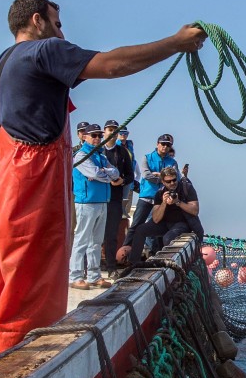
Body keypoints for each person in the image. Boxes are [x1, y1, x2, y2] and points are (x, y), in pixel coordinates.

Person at [0, 0, 205, 358]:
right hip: (30, 186)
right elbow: (112, 65)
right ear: (37, 21)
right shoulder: (44, 50)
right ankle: (15, 377)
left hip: (0, 185)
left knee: (1, 286)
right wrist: (176, 43)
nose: (62, 33)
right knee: (29, 291)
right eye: (58, 23)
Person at [69, 123, 118, 289]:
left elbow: (115, 173)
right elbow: (95, 174)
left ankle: (94, 275)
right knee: (82, 239)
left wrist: (103, 173)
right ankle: (75, 276)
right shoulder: (81, 155)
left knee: (96, 241)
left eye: (99, 135)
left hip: (102, 201)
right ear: (85, 136)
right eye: (94, 135)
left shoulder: (101, 156)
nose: (97, 138)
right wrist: (105, 174)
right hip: (86, 203)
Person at [124, 166, 204, 261]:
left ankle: (169, 264)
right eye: (168, 181)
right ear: (163, 182)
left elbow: (195, 211)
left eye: (174, 180)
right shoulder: (160, 193)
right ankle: (134, 263)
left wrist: (178, 202)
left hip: (182, 223)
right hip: (165, 223)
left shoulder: (187, 188)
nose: (172, 183)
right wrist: (164, 203)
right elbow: (156, 219)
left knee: (167, 238)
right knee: (140, 230)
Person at [123, 134, 178, 250]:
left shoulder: (172, 162)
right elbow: (146, 175)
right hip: (146, 196)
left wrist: (158, 175)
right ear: (157, 144)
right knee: (136, 224)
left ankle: (155, 252)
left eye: (168, 145)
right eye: (163, 144)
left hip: (161, 199)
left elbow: (175, 178)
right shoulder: (147, 158)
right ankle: (125, 250)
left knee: (157, 226)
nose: (165, 147)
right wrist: (164, 179)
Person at [101, 119, 134, 276]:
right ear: (104, 131)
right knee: (93, 235)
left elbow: (130, 175)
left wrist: (122, 181)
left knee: (112, 234)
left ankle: (111, 268)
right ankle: (88, 268)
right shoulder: (97, 150)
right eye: (109, 129)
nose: (112, 132)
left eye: (115, 130)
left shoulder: (123, 152)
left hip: (114, 198)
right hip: (97, 198)